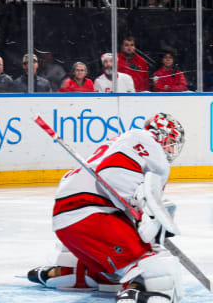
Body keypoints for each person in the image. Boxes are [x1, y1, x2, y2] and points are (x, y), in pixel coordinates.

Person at [27, 113, 186, 303]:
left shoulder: (120, 141)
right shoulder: (148, 144)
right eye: (171, 140)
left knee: (107, 273)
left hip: (66, 220)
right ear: (160, 135)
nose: (171, 148)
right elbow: (111, 171)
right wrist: (145, 214)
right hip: (92, 215)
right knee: (154, 269)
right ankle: (137, 294)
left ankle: (67, 271)